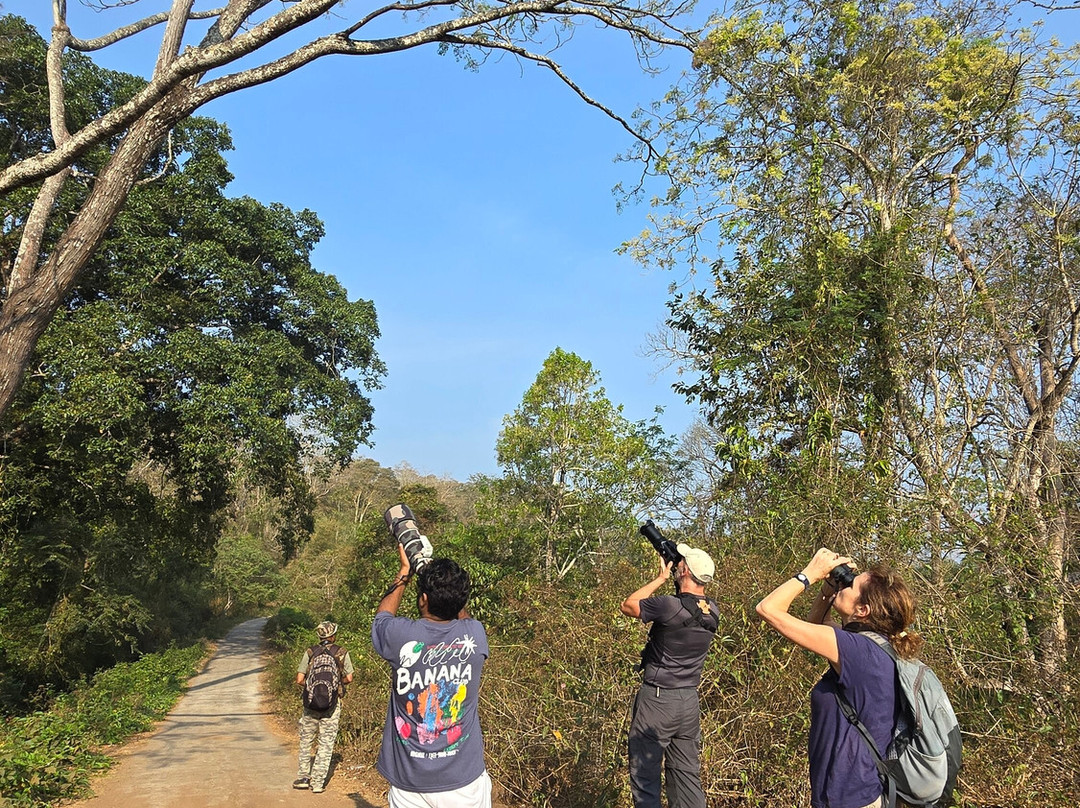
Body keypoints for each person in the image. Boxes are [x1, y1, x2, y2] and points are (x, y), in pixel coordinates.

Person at [755, 547, 923, 808]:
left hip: (849, 797)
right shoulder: (874, 646)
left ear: (863, 610)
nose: (845, 584)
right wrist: (828, 590)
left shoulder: (858, 651)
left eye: (850, 585)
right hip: (857, 793)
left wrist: (808, 575)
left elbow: (768, 609)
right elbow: (817, 622)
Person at [371, 545, 492, 808]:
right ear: (462, 602)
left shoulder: (399, 636)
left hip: (410, 783)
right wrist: (451, 596)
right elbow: (462, 615)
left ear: (423, 599)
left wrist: (405, 572)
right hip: (465, 782)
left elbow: (382, 616)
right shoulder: (475, 634)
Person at [620, 543, 719, 808]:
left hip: (658, 699)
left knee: (646, 778)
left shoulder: (669, 606)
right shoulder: (713, 611)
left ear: (684, 570)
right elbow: (689, 605)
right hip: (689, 702)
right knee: (686, 778)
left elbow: (629, 605)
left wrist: (661, 577)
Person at [294, 620, 355, 793]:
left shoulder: (310, 652)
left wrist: (313, 688)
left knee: (306, 740)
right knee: (326, 743)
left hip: (310, 704)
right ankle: (318, 783)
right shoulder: (341, 652)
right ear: (333, 635)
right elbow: (349, 678)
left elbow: (299, 679)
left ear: (319, 635)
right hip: (332, 705)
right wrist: (336, 685)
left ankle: (303, 777)